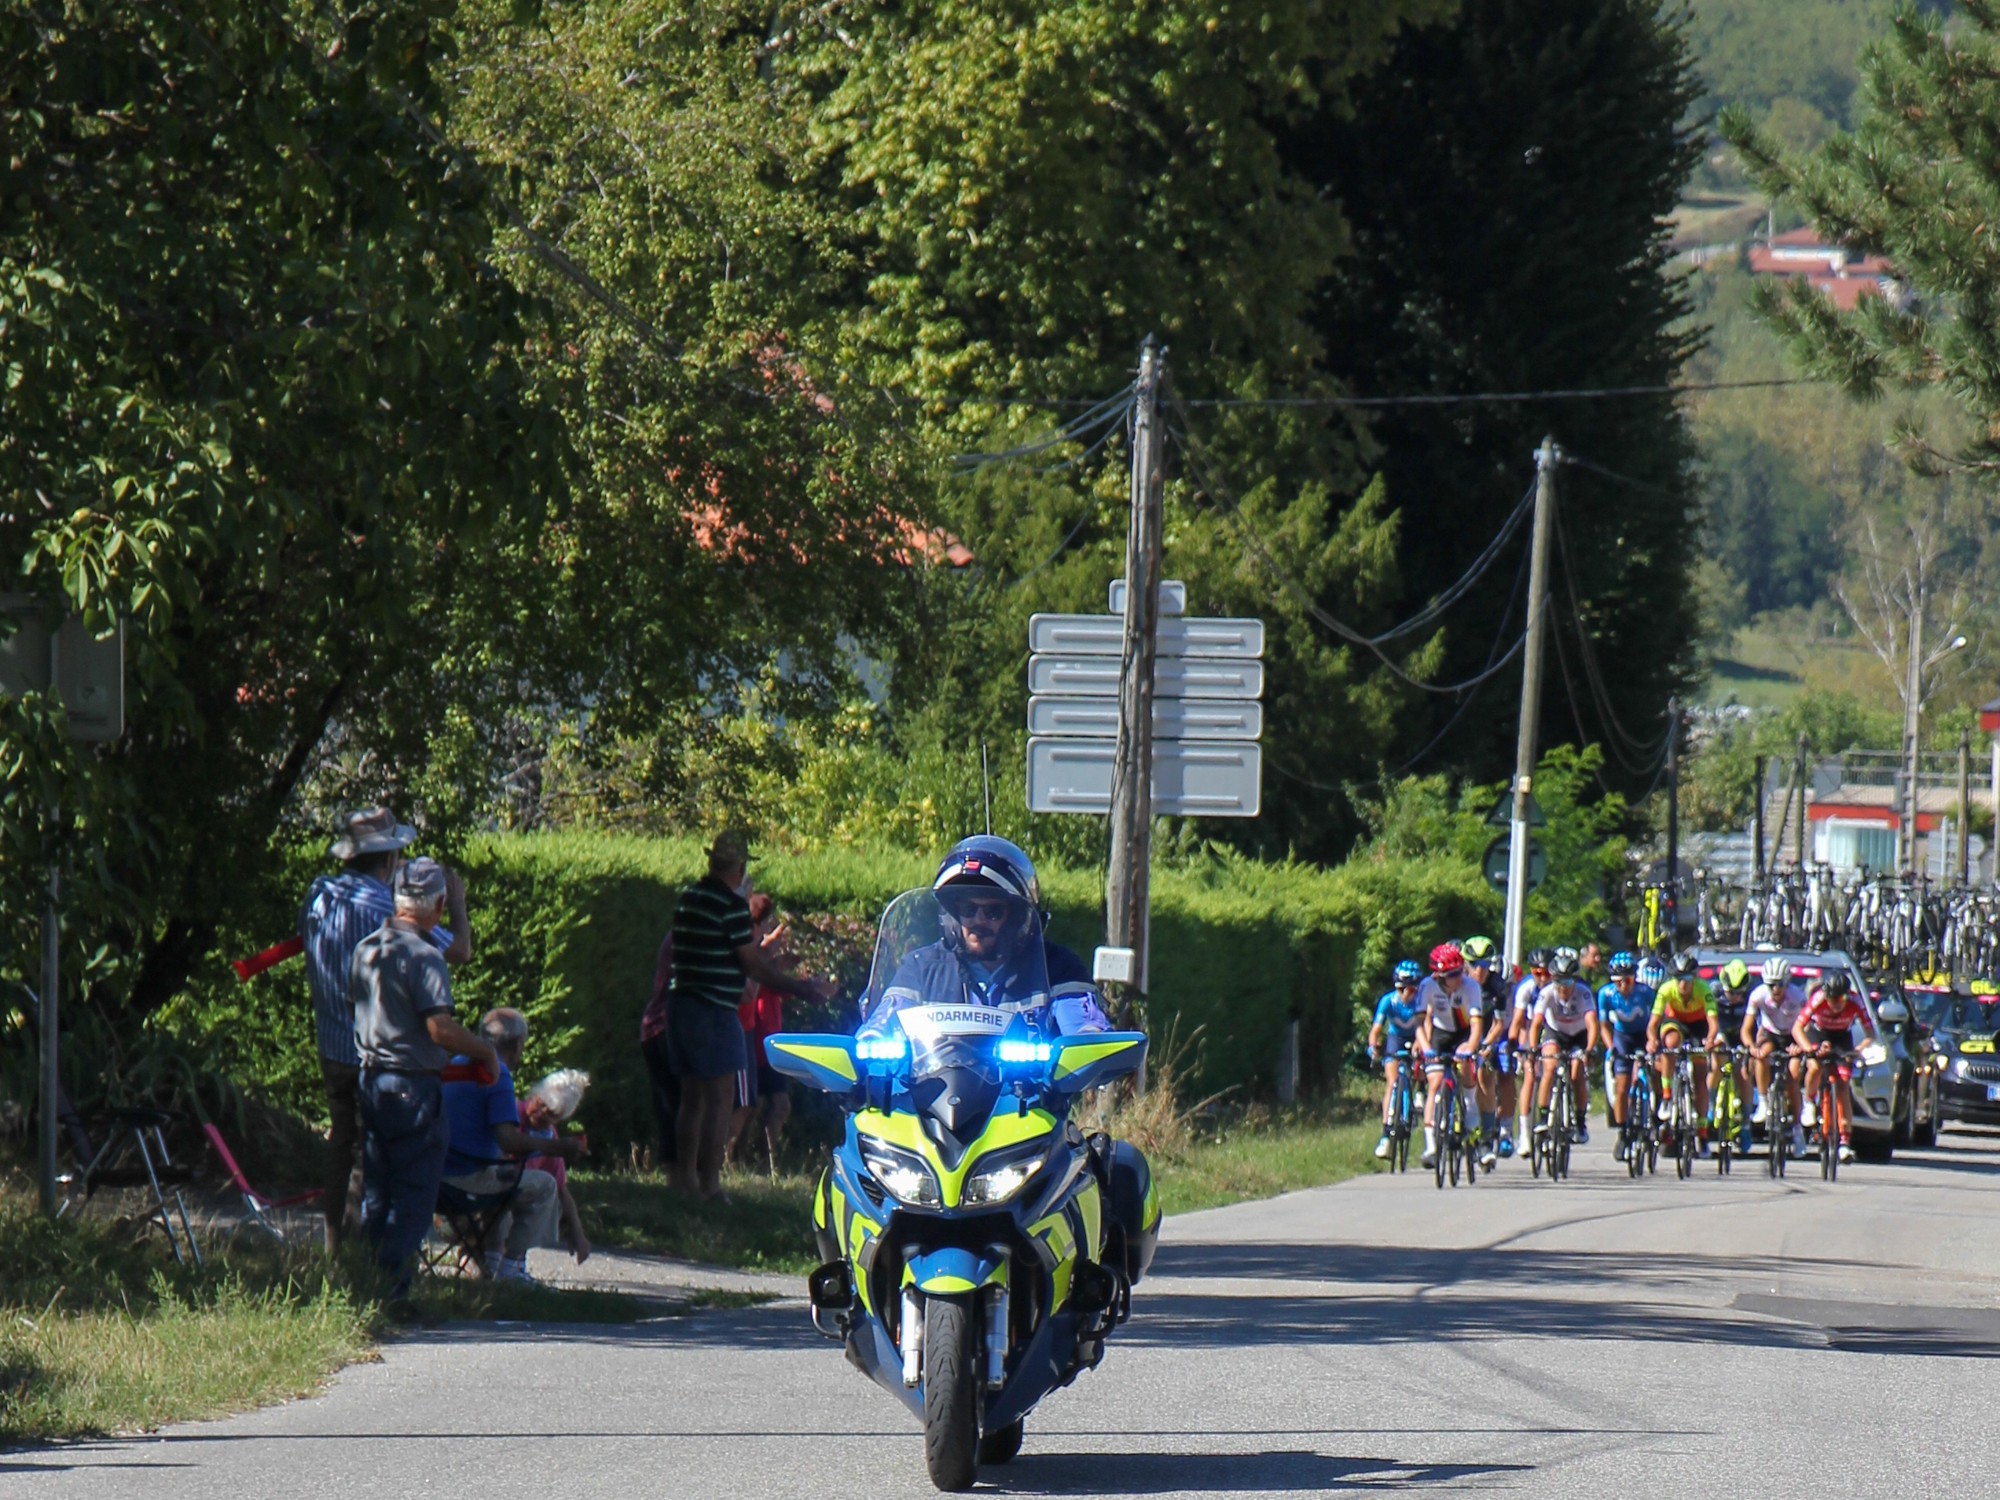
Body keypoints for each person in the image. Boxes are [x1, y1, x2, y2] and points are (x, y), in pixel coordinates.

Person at [302, 805, 470, 1254]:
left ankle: (335, 1250)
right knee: (369, 1161)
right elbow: (458, 951)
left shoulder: (318, 896)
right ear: (391, 858)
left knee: (341, 1147)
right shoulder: (385, 909)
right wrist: (456, 900)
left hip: (330, 1045)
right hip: (370, 1054)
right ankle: (367, 1261)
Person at [349, 858, 495, 1301]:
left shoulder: (367, 947)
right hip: (413, 1086)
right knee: (414, 1195)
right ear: (439, 904)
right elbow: (439, 1029)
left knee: (379, 1190)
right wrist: (485, 1051)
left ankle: (369, 1284)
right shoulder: (426, 957)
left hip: (371, 1081)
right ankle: (392, 1291)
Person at [670, 830, 835, 1200]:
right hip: (715, 1009)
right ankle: (710, 1186)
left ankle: (684, 1181)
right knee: (720, 1098)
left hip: (681, 1005)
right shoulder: (729, 907)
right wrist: (801, 987)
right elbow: (750, 964)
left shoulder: (688, 899)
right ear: (740, 867)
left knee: (691, 1097)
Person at [868, 836, 1112, 1033]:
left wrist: (1088, 1039)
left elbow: (1083, 1028)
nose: (978, 920)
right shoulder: (921, 968)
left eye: (993, 912)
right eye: (968, 909)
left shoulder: (1057, 968)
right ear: (952, 915)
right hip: (932, 1092)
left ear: (1016, 918)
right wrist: (870, 1038)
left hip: (1027, 1094)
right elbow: (882, 1021)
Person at [441, 1007, 588, 1284]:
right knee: (541, 1185)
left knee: (507, 1178)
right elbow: (508, 1140)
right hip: (467, 1180)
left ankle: (492, 1265)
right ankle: (511, 1270)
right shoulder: (497, 1074)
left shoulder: (456, 1064)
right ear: (517, 1045)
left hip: (437, 1173)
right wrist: (559, 1148)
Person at [730, 895, 794, 1173]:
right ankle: (733, 1160)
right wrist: (769, 959)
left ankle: (760, 1160)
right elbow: (751, 988)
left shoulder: (760, 954)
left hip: (770, 1040)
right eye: (766, 921)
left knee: (768, 1104)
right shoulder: (750, 952)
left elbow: (780, 989)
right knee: (747, 1105)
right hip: (755, 1037)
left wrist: (783, 967)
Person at [1793, 971, 1875, 1165]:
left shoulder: (1855, 1001)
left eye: (1840, 999)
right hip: (1819, 1034)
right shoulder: (1818, 999)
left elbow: (1870, 1033)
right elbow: (1797, 1028)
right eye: (1832, 999)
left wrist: (1857, 1050)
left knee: (1843, 1085)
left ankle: (1845, 1142)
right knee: (1814, 1067)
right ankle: (1809, 1102)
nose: (1836, 1003)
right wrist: (1809, 1048)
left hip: (1842, 1038)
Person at [1414, 942, 1483, 1169]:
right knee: (1434, 1082)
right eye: (1452, 975)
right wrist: (1426, 1048)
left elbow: (1475, 1025)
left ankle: (1470, 1105)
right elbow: (1420, 1022)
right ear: (1439, 976)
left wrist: (1470, 1048)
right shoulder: (1427, 986)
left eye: (1460, 971)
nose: (1458, 978)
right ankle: (1431, 1145)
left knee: (1465, 1069)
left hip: (1464, 1033)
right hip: (1441, 1033)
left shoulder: (1471, 987)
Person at [519, 1069, 593, 1266]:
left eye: (550, 1113)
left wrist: (578, 1233)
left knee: (548, 1188)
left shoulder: (550, 1135)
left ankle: (516, 1260)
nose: (541, 1113)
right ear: (534, 1095)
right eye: (540, 1103)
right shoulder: (511, 1115)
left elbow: (561, 1188)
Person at [1647, 950, 1718, 1152]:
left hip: (1698, 1026)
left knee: (1700, 1077)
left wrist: (1710, 1040)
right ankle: (1668, 1097)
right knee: (1670, 1044)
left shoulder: (1703, 990)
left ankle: (1703, 1134)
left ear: (1694, 978)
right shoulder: (1666, 989)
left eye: (1687, 978)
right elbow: (1653, 1024)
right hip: (1676, 1022)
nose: (1683, 984)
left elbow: (1713, 1024)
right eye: (1679, 979)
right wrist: (1652, 1040)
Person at [1530, 947, 1599, 1144]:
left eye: (1568, 981)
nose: (1563, 987)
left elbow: (1592, 1024)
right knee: (1549, 1068)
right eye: (1558, 981)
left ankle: (1579, 1121)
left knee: (1577, 1074)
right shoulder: (1547, 993)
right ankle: (1543, 1117)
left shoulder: (1583, 993)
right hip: (1556, 1033)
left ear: (1574, 980)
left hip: (1578, 1035)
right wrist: (1533, 1049)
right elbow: (1536, 1023)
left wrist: (1588, 1050)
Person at [1745, 956, 1809, 1158]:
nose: (1776, 989)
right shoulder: (1758, 995)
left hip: (1793, 1035)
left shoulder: (1797, 996)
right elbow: (1746, 1029)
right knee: (1762, 1055)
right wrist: (1751, 1047)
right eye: (1771, 985)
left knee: (1792, 1076)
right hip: (1770, 1033)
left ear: (1787, 982)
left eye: (1780, 985)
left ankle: (1798, 1130)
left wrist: (1800, 1046)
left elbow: (1806, 1024)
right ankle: (1763, 1101)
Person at [1597, 951, 1654, 1160]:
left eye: (1628, 981)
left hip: (1643, 1034)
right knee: (1621, 1088)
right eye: (1618, 982)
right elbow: (1603, 1025)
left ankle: (1657, 1114)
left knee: (1653, 1071)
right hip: (1622, 1037)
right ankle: (1622, 1133)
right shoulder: (1606, 994)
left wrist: (1652, 1041)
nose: (1624, 986)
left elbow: (1656, 1019)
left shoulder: (1645, 992)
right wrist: (1610, 1046)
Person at [1367, 961, 1426, 1160]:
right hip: (1396, 1038)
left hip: (1418, 1034)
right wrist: (1373, 1046)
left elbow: (1426, 1027)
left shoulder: (1421, 1002)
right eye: (1401, 988)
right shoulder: (1388, 1001)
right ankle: (1385, 1136)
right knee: (1392, 1083)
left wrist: (1420, 1043)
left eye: (1411, 988)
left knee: (1425, 1057)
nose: (1406, 993)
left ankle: (1420, 1090)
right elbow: (1376, 1028)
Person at [1460, 937, 1508, 1168]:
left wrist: (1485, 1045)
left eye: (1485, 964)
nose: (1480, 970)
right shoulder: (1457, 982)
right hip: (1460, 1034)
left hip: (1487, 1035)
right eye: (1474, 964)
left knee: (1484, 1077)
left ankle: (1487, 1137)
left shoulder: (1497, 986)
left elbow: (1499, 1024)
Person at [638, 932, 678, 1171]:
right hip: (664, 1026)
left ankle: (681, 1172)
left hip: (663, 1026)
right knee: (674, 1103)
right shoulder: (686, 937)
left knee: (676, 1103)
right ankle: (677, 1172)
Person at [1711, 959, 1756, 1154]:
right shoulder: (1713, 993)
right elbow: (1709, 1019)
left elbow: (1756, 1026)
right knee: (1716, 1064)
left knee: (1743, 1074)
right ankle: (1711, 1105)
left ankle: (1745, 1124)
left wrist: (1751, 1047)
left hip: (1742, 1035)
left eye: (1739, 993)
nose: (1736, 997)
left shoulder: (1751, 996)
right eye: (1731, 993)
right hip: (1720, 1033)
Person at [1508, 948, 1553, 1142]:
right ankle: (1525, 1133)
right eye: (1537, 973)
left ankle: (1556, 1111)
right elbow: (1518, 1021)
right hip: (1530, 1027)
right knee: (1530, 1073)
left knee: (1553, 1068)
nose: (1542, 978)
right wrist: (1514, 1046)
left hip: (1553, 1028)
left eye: (1547, 973)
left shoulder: (1558, 986)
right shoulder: (1526, 987)